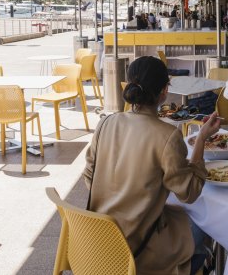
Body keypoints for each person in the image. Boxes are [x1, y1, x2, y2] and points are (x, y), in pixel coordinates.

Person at [83, 56, 220, 275]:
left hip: (98, 238)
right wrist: (201, 139)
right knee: (205, 224)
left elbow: (89, 174)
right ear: (165, 91)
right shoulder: (168, 135)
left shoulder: (105, 123)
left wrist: (123, 198)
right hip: (138, 247)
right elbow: (190, 192)